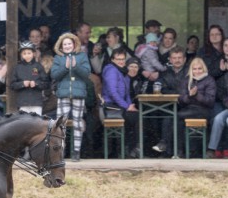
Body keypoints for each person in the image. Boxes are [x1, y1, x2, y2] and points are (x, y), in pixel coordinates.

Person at [153, 57, 215, 158]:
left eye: (200, 69)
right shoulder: (187, 80)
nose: (197, 71)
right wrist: (190, 96)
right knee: (174, 120)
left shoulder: (209, 80)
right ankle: (178, 151)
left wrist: (196, 95)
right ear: (191, 70)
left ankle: (165, 144)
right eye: (195, 69)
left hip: (203, 110)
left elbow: (210, 102)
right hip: (188, 109)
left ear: (204, 69)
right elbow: (181, 100)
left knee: (175, 117)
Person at [50, 32, 91, 161]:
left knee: (78, 123)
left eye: (69, 43)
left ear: (74, 44)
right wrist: (65, 67)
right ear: (61, 46)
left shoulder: (82, 56)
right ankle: (61, 151)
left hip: (78, 94)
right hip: (63, 94)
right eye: (65, 44)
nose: (67, 46)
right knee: (61, 123)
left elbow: (86, 74)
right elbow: (54, 75)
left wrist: (75, 66)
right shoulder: (58, 58)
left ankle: (76, 152)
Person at [101, 48, 140, 158]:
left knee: (136, 116)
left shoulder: (122, 71)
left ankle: (130, 148)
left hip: (120, 106)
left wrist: (130, 105)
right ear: (112, 59)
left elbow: (126, 93)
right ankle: (129, 149)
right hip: (112, 107)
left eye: (123, 59)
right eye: (118, 59)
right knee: (136, 118)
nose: (121, 61)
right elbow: (113, 92)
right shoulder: (111, 70)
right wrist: (127, 106)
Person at [10, 41, 49, 115]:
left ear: (33, 54)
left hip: (36, 102)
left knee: (36, 123)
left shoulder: (39, 66)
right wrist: (22, 84)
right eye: (24, 53)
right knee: (24, 124)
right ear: (21, 55)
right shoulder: (17, 68)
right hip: (23, 102)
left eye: (29, 53)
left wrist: (36, 84)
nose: (27, 55)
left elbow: (46, 83)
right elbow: (12, 85)